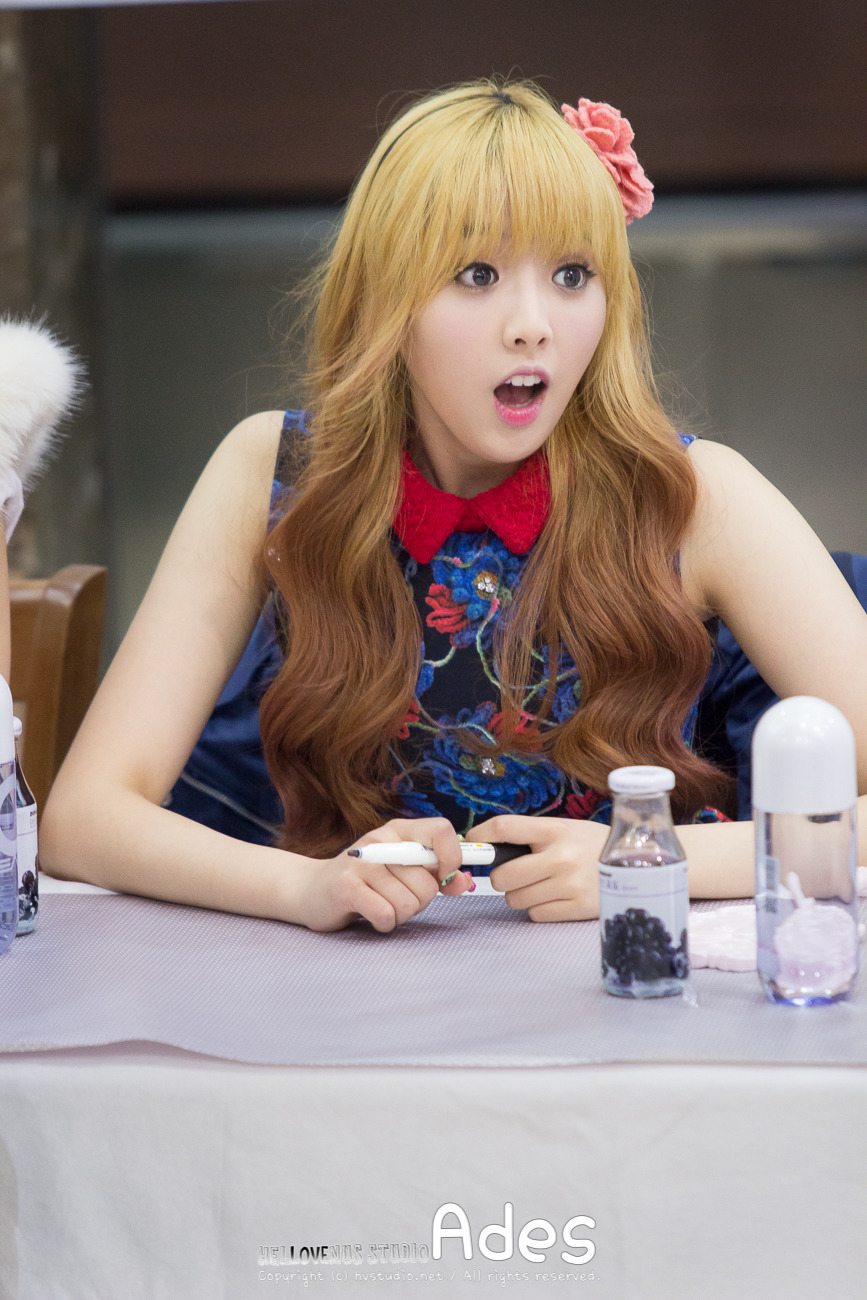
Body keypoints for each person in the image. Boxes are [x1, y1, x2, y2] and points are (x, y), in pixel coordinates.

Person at [40, 80, 867, 932]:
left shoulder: (695, 496)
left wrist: (650, 859)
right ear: (384, 296)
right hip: (354, 991)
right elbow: (82, 820)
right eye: (477, 274)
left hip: (633, 975)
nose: (532, 325)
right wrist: (306, 888)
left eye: (572, 274)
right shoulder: (277, 474)